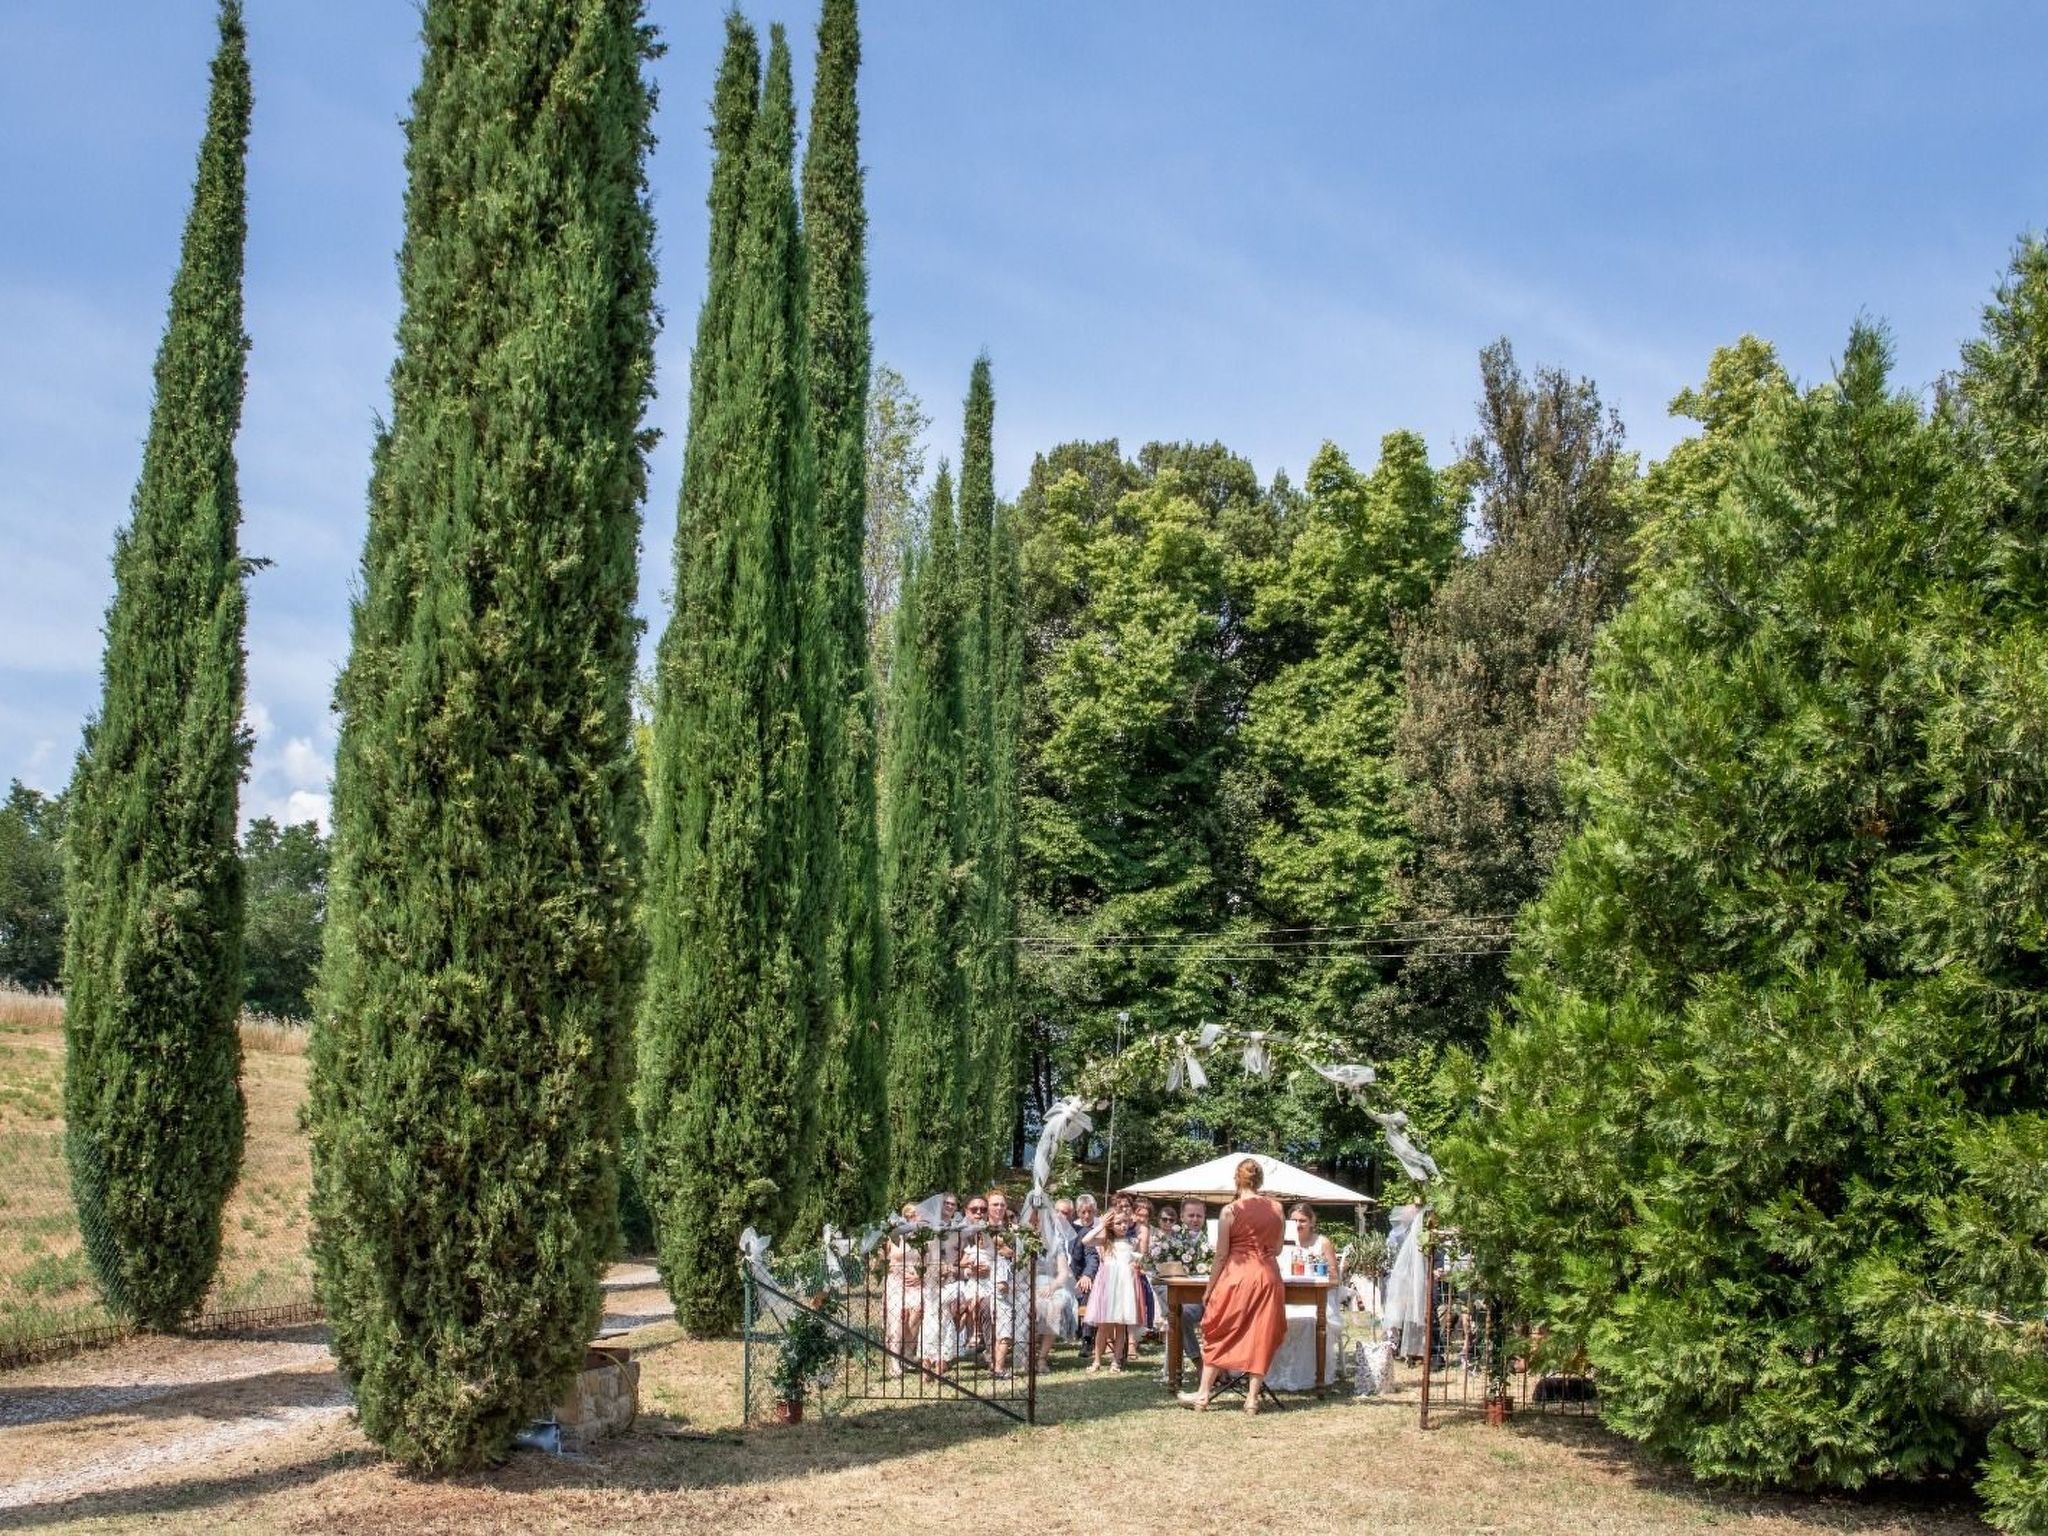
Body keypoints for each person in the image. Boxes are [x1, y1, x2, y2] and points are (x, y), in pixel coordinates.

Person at [1180, 1158, 1287, 1414]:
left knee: (1221, 1329)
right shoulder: (1277, 1208)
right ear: (1260, 1180)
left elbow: (1220, 1256)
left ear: (1237, 1180)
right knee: (1261, 1334)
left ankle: (1203, 1395)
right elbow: (1279, 1248)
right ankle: (1251, 1399)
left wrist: (1209, 1288)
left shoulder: (1230, 1211)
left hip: (1237, 1275)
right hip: (1268, 1276)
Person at [1082, 1209, 1143, 1372]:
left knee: (1120, 1326)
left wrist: (1135, 1266)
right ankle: (1096, 1360)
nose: (1123, 1226)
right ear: (1110, 1225)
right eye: (1118, 1223)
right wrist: (1100, 1225)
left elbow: (1137, 1261)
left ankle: (1116, 1360)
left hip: (1124, 1286)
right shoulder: (1105, 1241)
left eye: (1125, 1222)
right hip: (1109, 1286)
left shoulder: (1133, 1241)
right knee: (1103, 1326)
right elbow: (1086, 1240)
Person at [884, 1202, 924, 1376]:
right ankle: (894, 1362)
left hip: (914, 1281)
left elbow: (929, 1261)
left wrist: (919, 1277)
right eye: (910, 1216)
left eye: (917, 1215)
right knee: (897, 1319)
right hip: (895, 1281)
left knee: (916, 1312)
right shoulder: (893, 1236)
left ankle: (908, 1354)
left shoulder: (923, 1238)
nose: (914, 1219)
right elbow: (881, 1261)